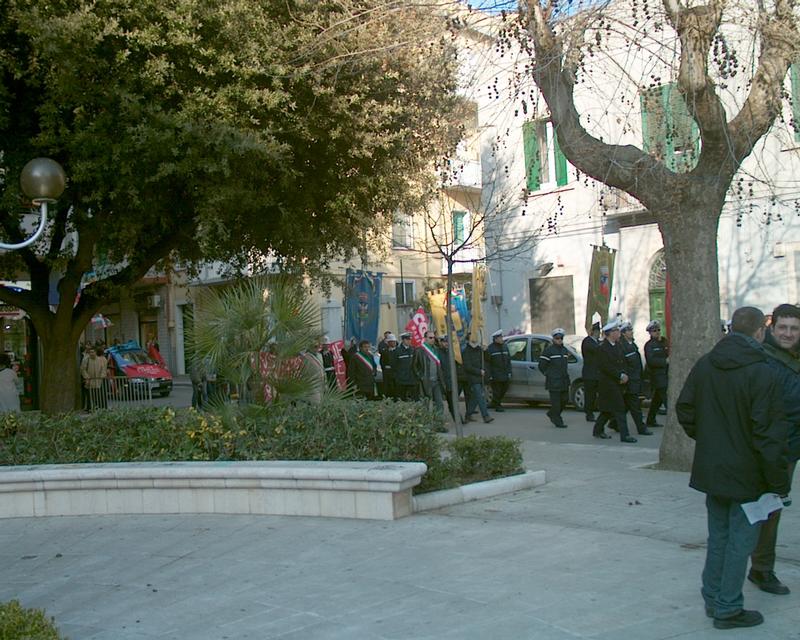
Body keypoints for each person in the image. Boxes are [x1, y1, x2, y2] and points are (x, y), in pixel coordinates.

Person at [677, 306, 790, 630]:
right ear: (760, 331)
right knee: (740, 542)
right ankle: (727, 607)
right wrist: (779, 482)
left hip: (715, 469)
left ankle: (714, 599)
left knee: (719, 538)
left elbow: (685, 409)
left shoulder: (707, 363)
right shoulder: (762, 370)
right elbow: (768, 434)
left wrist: (710, 440)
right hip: (747, 474)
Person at [747, 304, 800, 596]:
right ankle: (761, 568)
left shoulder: (794, 357)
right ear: (772, 327)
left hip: (790, 447)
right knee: (767, 510)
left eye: (794, 329)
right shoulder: (763, 360)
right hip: (771, 449)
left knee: (773, 508)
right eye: (783, 328)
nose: (788, 334)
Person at [593, 319, 636, 442]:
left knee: (607, 410)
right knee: (619, 408)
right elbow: (605, 366)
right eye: (616, 330)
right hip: (608, 383)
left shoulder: (618, 345)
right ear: (609, 333)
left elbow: (623, 362)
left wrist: (624, 374)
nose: (618, 333)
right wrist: (619, 375)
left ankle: (597, 430)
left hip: (617, 382)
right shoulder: (602, 348)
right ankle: (625, 435)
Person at [620, 322, 653, 436]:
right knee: (635, 406)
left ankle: (613, 423)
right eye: (629, 331)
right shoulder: (623, 346)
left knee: (626, 405)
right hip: (630, 381)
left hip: (636, 379)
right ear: (623, 333)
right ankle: (641, 428)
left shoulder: (632, 344)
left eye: (631, 330)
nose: (631, 332)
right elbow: (624, 365)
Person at [539, 328, 570, 429]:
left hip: (564, 380)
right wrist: (548, 374)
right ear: (553, 339)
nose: (559, 340)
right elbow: (541, 365)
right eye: (557, 338)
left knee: (565, 400)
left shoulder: (564, 350)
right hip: (553, 381)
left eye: (561, 338)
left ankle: (552, 413)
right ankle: (558, 420)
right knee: (556, 403)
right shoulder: (548, 351)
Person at [462, 333, 493, 423]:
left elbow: (488, 359)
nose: (475, 341)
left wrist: (485, 350)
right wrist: (479, 371)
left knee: (475, 397)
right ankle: (486, 416)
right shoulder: (466, 351)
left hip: (481, 376)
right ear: (468, 341)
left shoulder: (479, 349)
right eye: (472, 339)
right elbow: (467, 366)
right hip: (472, 377)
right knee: (480, 396)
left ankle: (468, 414)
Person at [413, 331, 445, 413]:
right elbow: (414, 366)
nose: (432, 339)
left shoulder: (436, 349)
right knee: (426, 404)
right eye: (430, 338)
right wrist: (421, 377)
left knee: (439, 403)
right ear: (425, 338)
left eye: (434, 337)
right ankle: (426, 419)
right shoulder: (419, 350)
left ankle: (438, 420)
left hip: (436, 381)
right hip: (426, 381)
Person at [644, 320, 669, 427]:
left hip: (666, 374)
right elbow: (651, 361)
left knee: (657, 400)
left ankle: (650, 420)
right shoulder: (649, 345)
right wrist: (664, 361)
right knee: (667, 399)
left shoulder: (664, 341)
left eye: (658, 330)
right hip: (657, 375)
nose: (657, 332)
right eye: (654, 331)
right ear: (650, 332)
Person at [486, 329, 512, 412]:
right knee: (497, 391)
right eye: (500, 338)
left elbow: (508, 360)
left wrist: (509, 372)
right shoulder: (490, 348)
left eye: (502, 337)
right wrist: (489, 375)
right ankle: (498, 405)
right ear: (495, 339)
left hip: (505, 373)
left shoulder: (505, 346)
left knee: (504, 389)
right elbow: (487, 363)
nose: (502, 339)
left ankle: (494, 402)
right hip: (495, 374)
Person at [581, 322, 601, 422]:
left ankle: (595, 410)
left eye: (599, 331)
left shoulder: (598, 342)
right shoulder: (587, 341)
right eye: (597, 331)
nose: (598, 333)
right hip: (590, 373)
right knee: (590, 395)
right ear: (593, 332)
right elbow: (596, 350)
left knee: (598, 395)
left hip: (598, 373)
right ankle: (589, 413)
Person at [393, 333, 417, 401]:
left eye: (410, 339)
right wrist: (397, 375)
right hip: (401, 379)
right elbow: (393, 365)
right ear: (403, 340)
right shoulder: (397, 351)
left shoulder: (413, 349)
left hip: (412, 378)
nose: (409, 341)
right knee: (402, 399)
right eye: (407, 339)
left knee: (414, 399)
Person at [379, 334, 398, 398]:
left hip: (396, 372)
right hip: (387, 372)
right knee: (387, 386)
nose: (394, 343)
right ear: (388, 343)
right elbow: (382, 362)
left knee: (396, 386)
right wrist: (385, 368)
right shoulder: (385, 351)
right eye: (392, 342)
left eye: (394, 342)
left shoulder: (398, 351)